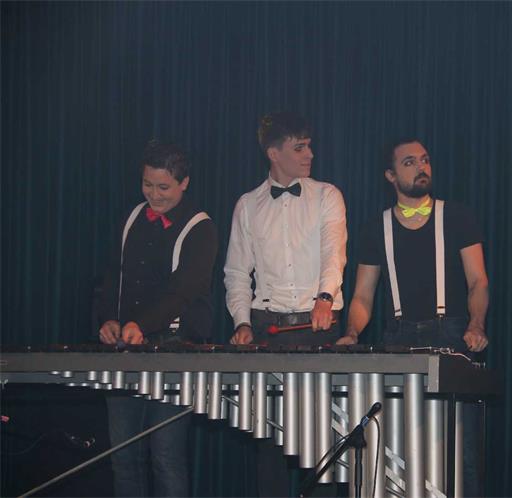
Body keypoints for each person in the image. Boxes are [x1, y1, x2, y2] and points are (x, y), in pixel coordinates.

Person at [336, 138, 489, 497]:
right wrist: (352, 331)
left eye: (425, 160)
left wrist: (476, 323)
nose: (422, 167)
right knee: (399, 451)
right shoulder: (376, 227)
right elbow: (362, 295)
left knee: (462, 452)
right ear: (390, 175)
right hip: (399, 339)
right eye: (409, 162)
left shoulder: (458, 216)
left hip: (451, 337)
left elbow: (478, 281)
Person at [224, 111, 347, 496]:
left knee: (323, 443)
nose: (310, 154)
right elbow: (236, 272)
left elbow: (334, 253)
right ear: (273, 153)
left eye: (309, 146)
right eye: (299, 148)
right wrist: (242, 322)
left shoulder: (327, 195)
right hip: (268, 330)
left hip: (318, 327)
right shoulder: (247, 205)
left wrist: (325, 297)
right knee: (270, 443)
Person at [96, 140, 218, 496]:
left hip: (173, 350)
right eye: (147, 184)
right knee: (124, 457)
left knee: (166, 456)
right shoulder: (131, 217)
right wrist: (109, 319)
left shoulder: (201, 227)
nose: (153, 194)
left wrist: (142, 325)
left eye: (163, 187)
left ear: (184, 183)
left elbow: (183, 292)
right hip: (124, 351)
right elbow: (111, 277)